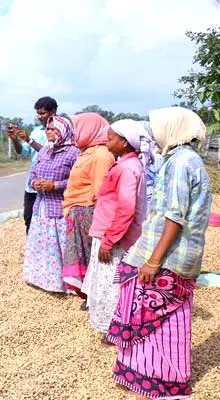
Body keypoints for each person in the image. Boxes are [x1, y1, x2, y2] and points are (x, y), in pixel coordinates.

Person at [107, 107, 210, 400]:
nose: (152, 134)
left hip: (168, 257)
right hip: (166, 253)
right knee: (149, 315)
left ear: (172, 128)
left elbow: (174, 217)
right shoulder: (180, 159)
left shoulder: (181, 162)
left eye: (156, 127)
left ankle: (161, 382)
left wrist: (153, 260)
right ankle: (142, 373)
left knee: (160, 319)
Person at [82, 120, 147, 340]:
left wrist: (109, 240)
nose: (107, 141)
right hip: (109, 233)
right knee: (106, 282)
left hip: (115, 238)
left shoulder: (128, 168)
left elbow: (126, 209)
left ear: (125, 142)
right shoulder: (126, 164)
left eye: (111, 138)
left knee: (112, 285)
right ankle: (111, 326)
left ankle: (114, 329)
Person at [22, 116, 80, 293]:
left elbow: (77, 180)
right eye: (48, 129)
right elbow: (32, 174)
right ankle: (41, 279)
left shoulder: (74, 153)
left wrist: (55, 185)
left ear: (63, 131)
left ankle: (65, 284)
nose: (48, 132)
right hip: (41, 207)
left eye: (53, 129)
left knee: (60, 248)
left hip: (60, 209)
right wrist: (35, 184)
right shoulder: (44, 151)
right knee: (43, 248)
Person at [61, 113, 115, 298]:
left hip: (88, 214)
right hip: (78, 214)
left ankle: (97, 298)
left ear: (89, 129)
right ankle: (90, 296)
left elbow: (102, 193)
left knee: (92, 258)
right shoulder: (87, 151)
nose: (74, 134)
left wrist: (100, 228)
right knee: (84, 258)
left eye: (77, 129)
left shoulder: (101, 155)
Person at [8, 96, 57, 233]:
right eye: (38, 113)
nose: (40, 117)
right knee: (29, 218)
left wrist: (29, 140)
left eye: (43, 113)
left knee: (49, 221)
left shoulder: (60, 131)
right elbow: (22, 151)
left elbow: (50, 153)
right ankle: (32, 250)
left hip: (50, 185)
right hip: (32, 186)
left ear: (53, 112)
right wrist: (15, 140)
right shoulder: (36, 131)